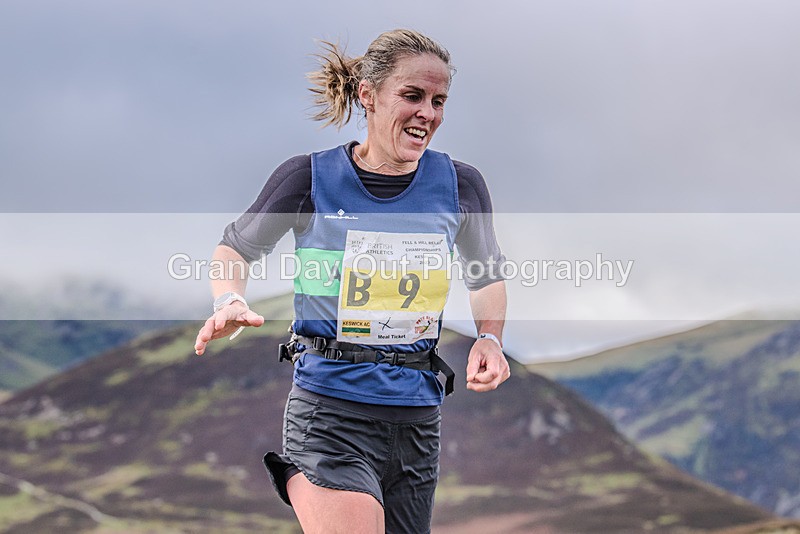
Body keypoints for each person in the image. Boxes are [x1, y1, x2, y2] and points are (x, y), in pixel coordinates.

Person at [194, 29, 510, 534]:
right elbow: (236, 247)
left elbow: (486, 272)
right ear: (368, 95)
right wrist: (229, 297)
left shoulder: (460, 185)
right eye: (412, 96)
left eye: (438, 100)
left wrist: (491, 338)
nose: (427, 113)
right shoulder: (309, 178)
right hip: (330, 413)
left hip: (417, 419)